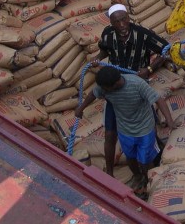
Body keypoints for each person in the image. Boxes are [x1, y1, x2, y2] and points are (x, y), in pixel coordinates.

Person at [92, 4, 169, 177]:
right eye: (116, 22)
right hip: (115, 87)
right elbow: (104, 50)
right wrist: (97, 59)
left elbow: (166, 50)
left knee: (147, 126)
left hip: (137, 86)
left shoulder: (142, 34)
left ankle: (156, 163)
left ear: (129, 18)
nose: (121, 25)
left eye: (124, 20)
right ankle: (110, 173)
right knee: (110, 132)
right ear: (111, 23)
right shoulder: (108, 34)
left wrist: (149, 69)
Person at [75, 66, 176, 196]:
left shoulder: (137, 84)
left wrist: (170, 121)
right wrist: (80, 108)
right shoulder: (104, 88)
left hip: (144, 129)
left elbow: (159, 100)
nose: (104, 92)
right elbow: (93, 94)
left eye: (106, 89)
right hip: (125, 130)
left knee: (145, 159)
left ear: (116, 83)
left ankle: (148, 181)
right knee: (130, 157)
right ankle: (138, 176)